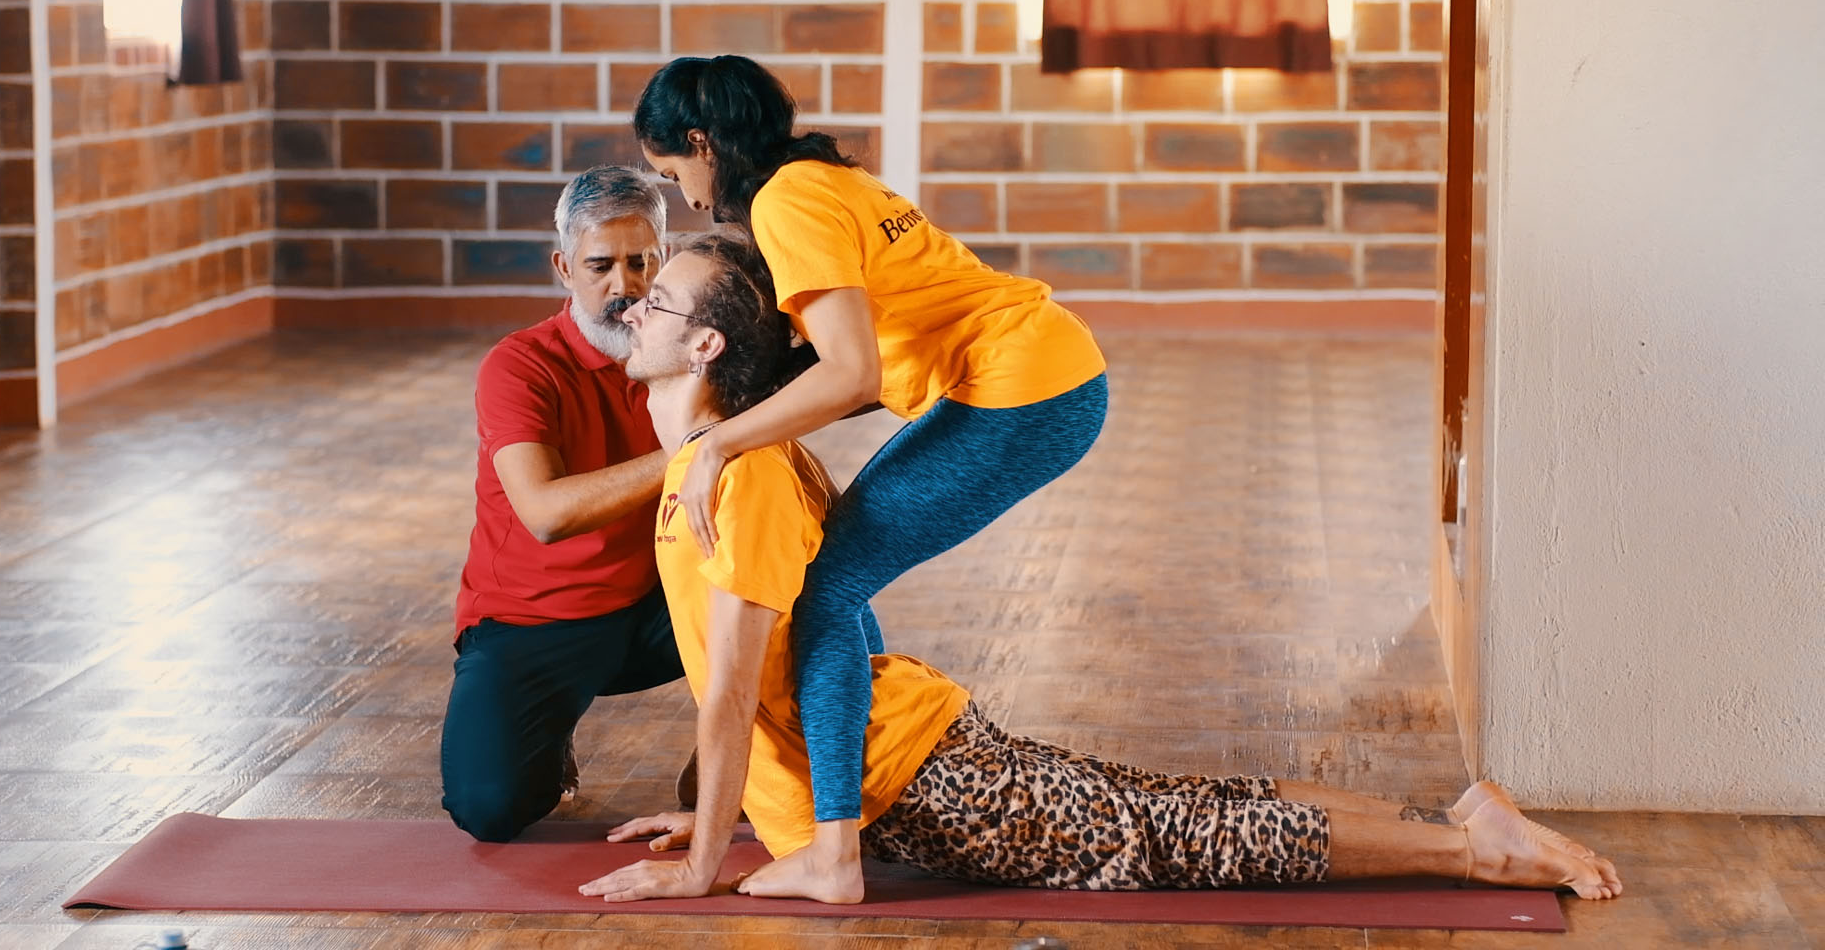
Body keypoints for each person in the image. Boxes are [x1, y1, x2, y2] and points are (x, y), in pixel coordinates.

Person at [576, 237, 1623, 904]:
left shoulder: (740, 478)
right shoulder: (709, 468)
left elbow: (733, 692)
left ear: (706, 347)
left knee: (1180, 835)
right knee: (1183, 809)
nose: (631, 304)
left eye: (656, 299)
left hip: (919, 777)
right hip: (910, 761)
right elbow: (810, 640)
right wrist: (737, 812)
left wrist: (706, 864)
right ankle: (1465, 827)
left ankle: (1473, 852)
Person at [634, 54, 1111, 896]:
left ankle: (835, 851)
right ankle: (849, 808)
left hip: (1023, 390)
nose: (689, 199)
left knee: (827, 592)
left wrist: (714, 445)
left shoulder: (785, 203)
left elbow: (852, 375)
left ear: (702, 143)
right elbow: (847, 365)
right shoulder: (819, 178)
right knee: (838, 577)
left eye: (673, 174)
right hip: (1040, 369)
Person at [441, 166, 692, 843]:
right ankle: (549, 735)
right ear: (564, 268)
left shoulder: (689, 351)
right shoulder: (519, 365)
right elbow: (546, 514)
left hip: (654, 605)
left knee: (800, 593)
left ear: (664, 259)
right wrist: (693, 450)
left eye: (640, 263)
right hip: (535, 618)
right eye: (600, 266)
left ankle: (727, 776)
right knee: (488, 809)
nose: (623, 286)